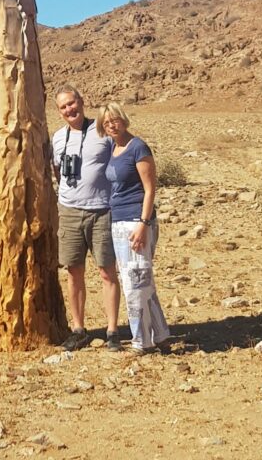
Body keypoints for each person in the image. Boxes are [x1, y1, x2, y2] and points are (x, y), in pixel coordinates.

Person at [52, 84, 121, 351]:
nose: (70, 109)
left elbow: (122, 155)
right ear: (59, 112)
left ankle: (113, 330)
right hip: (69, 212)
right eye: (64, 107)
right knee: (73, 271)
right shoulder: (57, 138)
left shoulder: (102, 130)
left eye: (72, 103)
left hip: (101, 210)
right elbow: (57, 172)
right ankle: (79, 329)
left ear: (82, 102)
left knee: (107, 271)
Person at [97, 102, 170, 354]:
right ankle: (159, 335)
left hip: (136, 222)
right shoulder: (114, 149)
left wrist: (143, 223)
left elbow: (150, 189)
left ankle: (141, 341)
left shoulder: (137, 147)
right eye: (106, 122)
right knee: (142, 282)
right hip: (118, 221)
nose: (111, 125)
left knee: (135, 282)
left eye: (115, 119)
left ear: (124, 119)